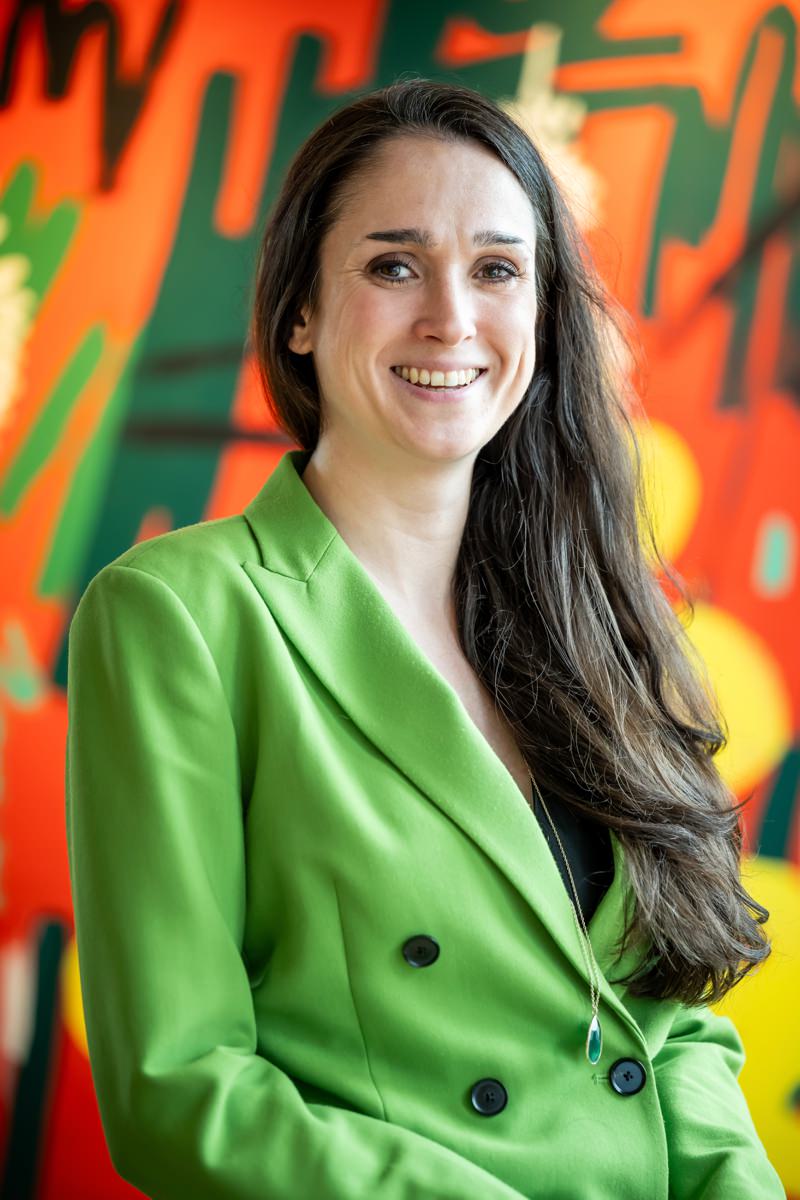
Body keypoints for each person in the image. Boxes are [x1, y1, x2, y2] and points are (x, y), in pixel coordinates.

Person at [65, 77, 786, 1199]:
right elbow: (180, 1086)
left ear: (541, 317)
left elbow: (661, 1024)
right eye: (393, 265)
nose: (451, 317)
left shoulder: (590, 614)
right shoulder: (176, 614)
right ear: (298, 311)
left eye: (496, 269)